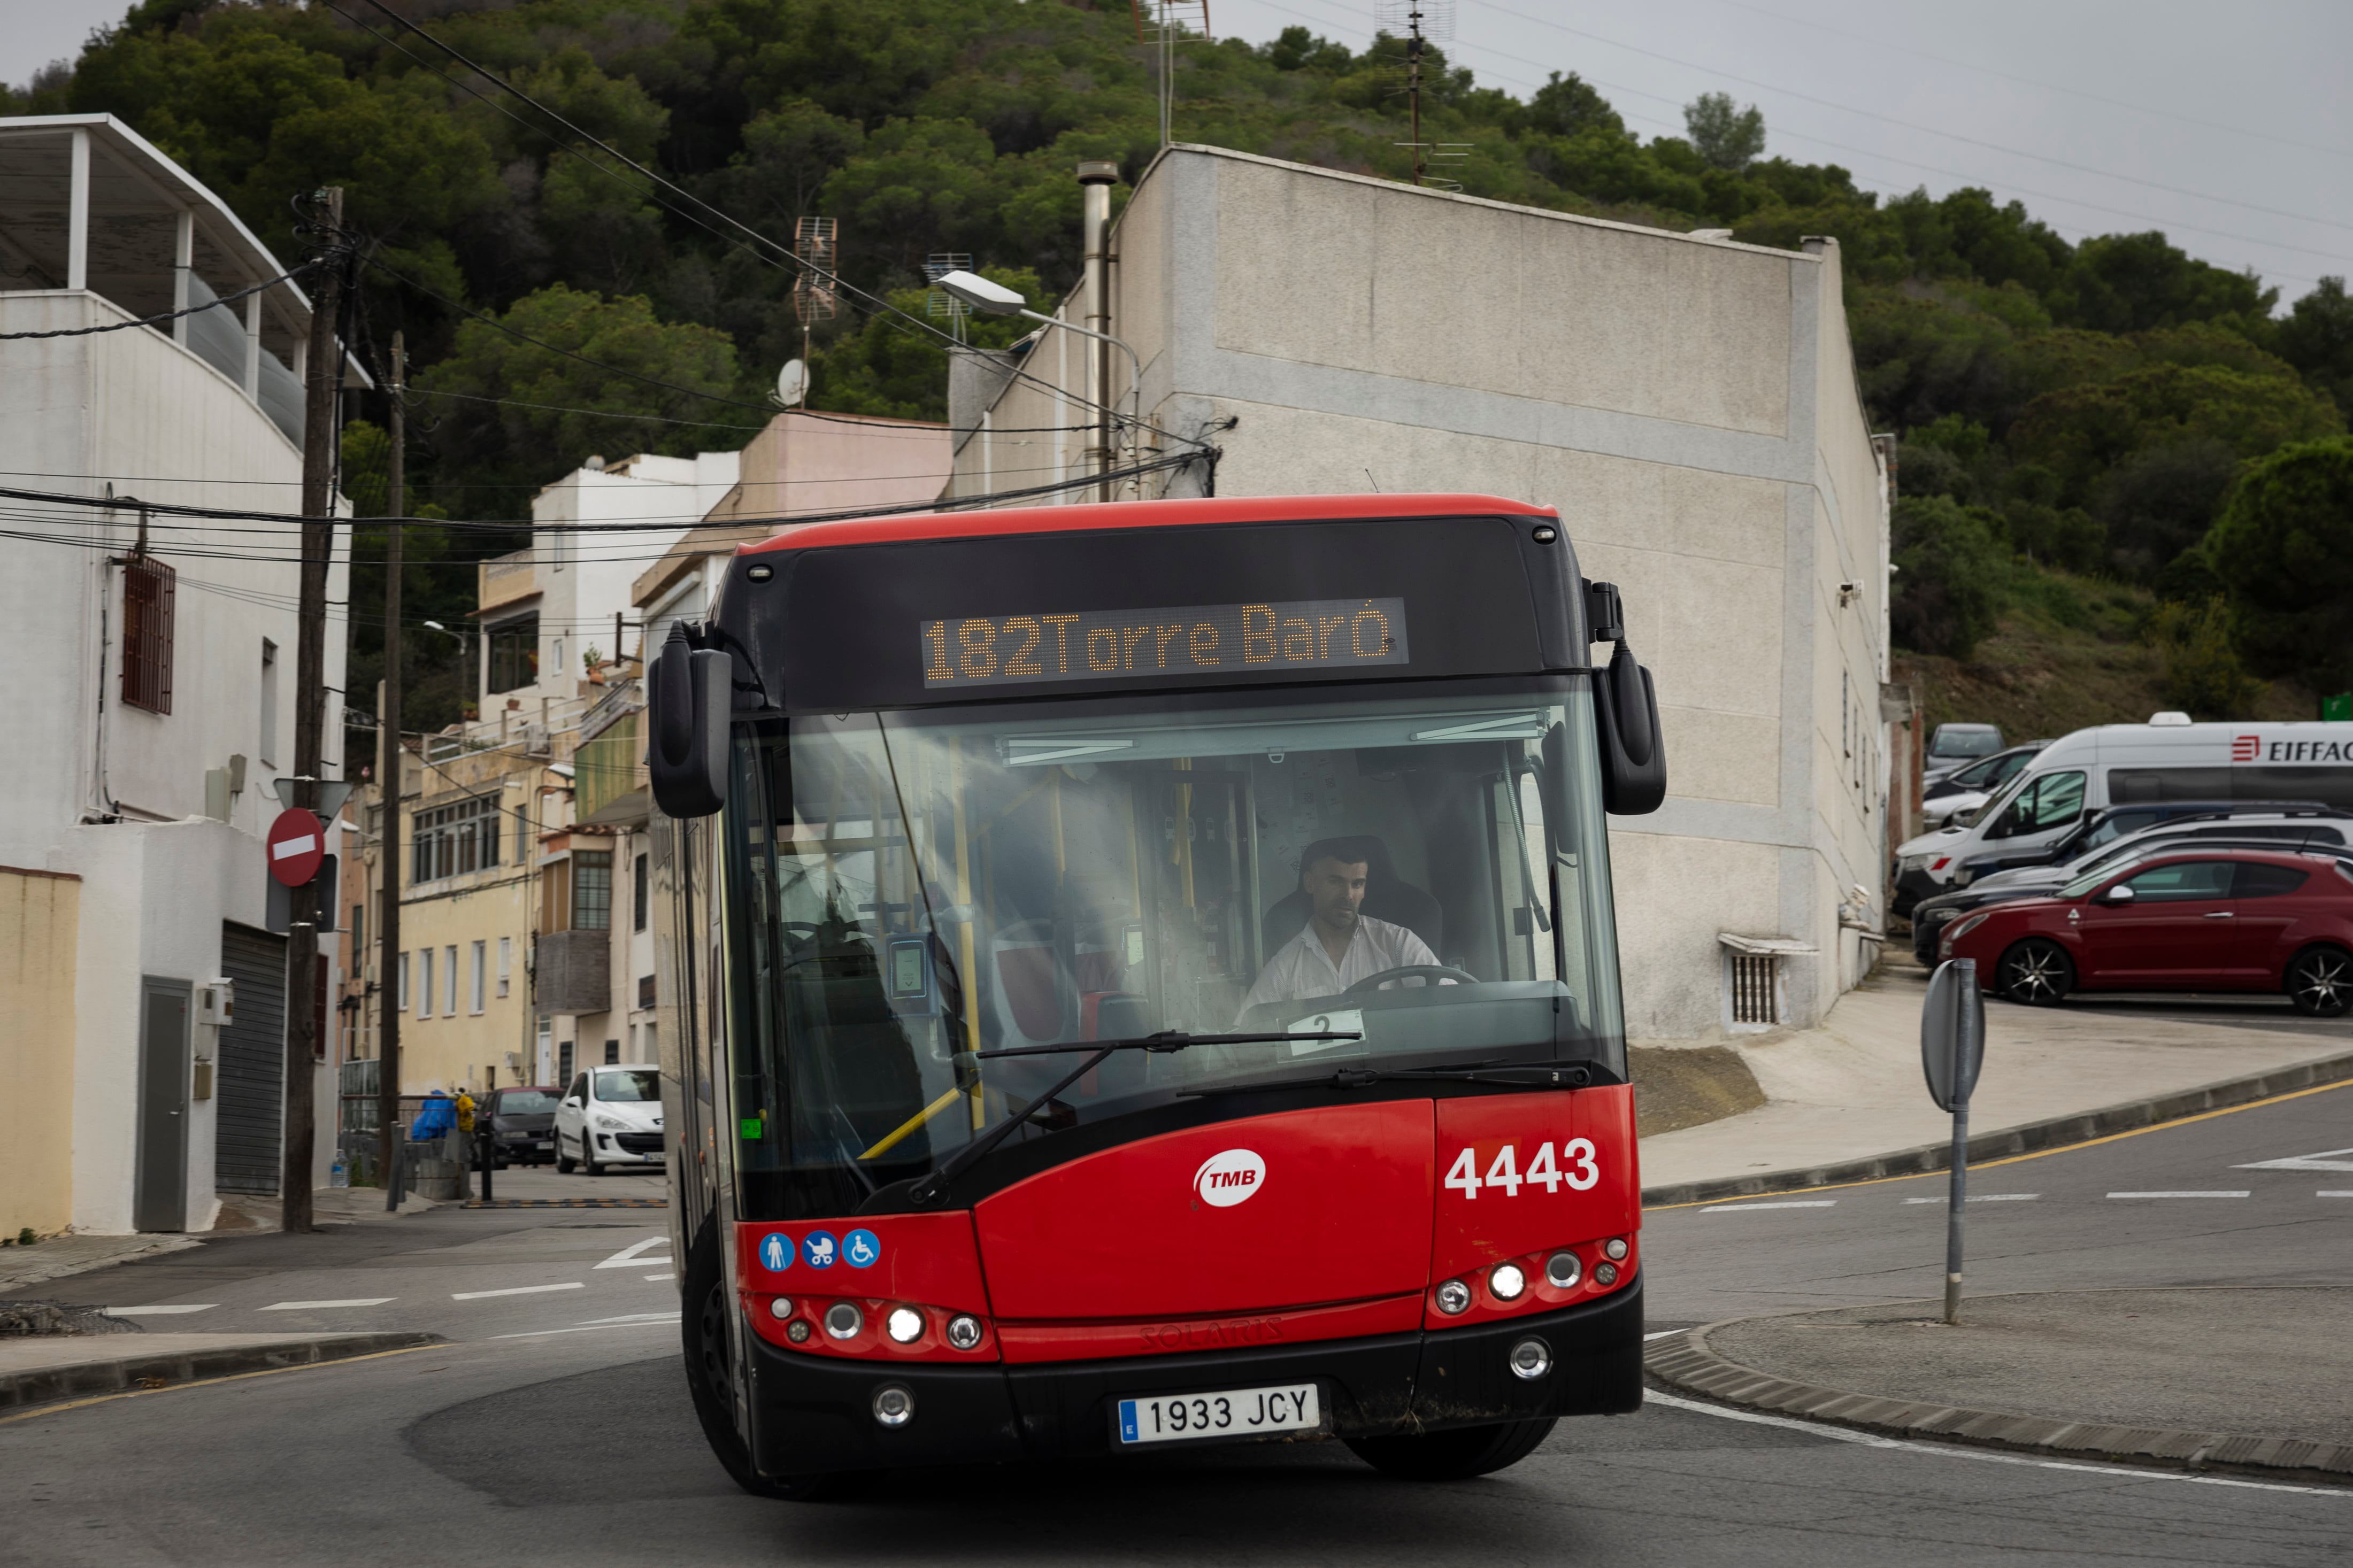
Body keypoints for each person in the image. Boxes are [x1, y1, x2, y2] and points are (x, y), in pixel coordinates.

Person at [1238, 838, 1442, 1017]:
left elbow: (1447, 1005)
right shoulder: (1284, 967)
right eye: (1335, 882)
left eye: (1357, 884)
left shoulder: (1399, 943)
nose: (1348, 895)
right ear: (1310, 883)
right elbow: (1246, 1034)